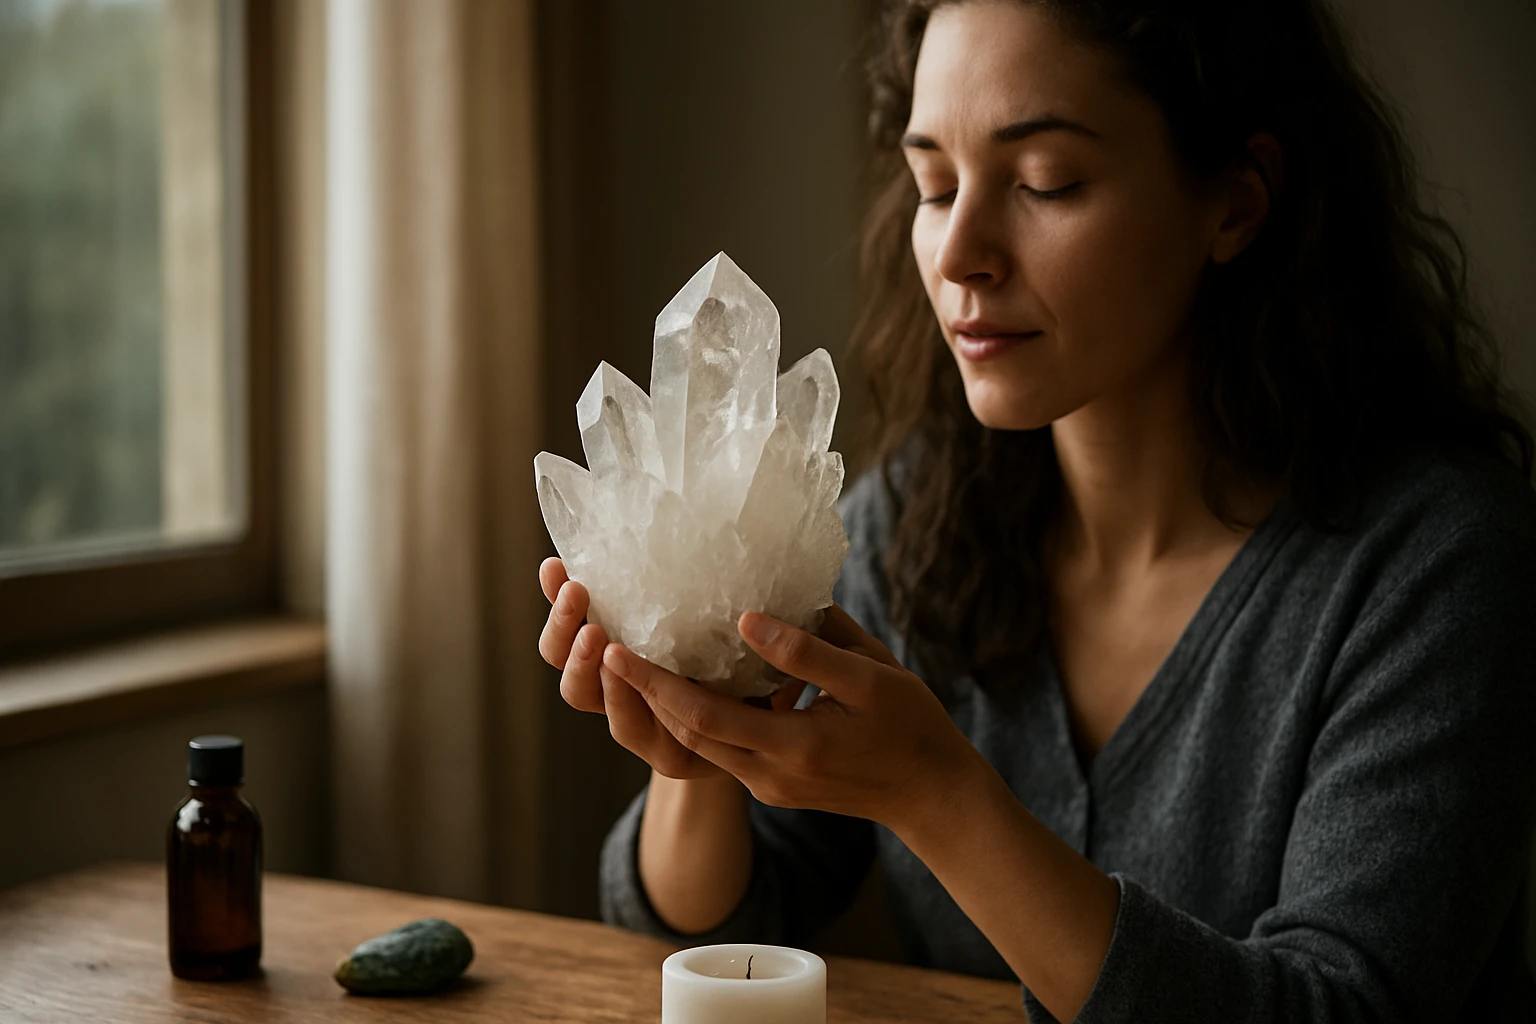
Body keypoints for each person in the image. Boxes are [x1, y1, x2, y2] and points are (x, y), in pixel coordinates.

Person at [538, 0, 1536, 1020]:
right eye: (933, 183)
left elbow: (1341, 1010)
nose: (960, 251)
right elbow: (707, 937)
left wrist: (939, 797)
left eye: (1044, 182)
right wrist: (700, 739)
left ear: (1233, 205)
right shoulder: (907, 528)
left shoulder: (1438, 567)